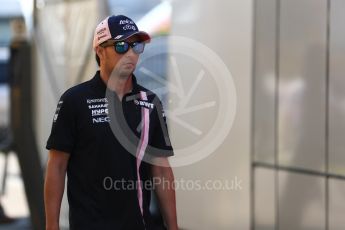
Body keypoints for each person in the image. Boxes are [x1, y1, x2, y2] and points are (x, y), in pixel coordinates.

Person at [44, 15, 178, 230]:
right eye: (121, 45)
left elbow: (161, 171)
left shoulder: (150, 102)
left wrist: (173, 227)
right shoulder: (74, 100)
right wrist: (51, 226)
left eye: (136, 45)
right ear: (100, 50)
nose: (130, 53)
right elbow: (57, 166)